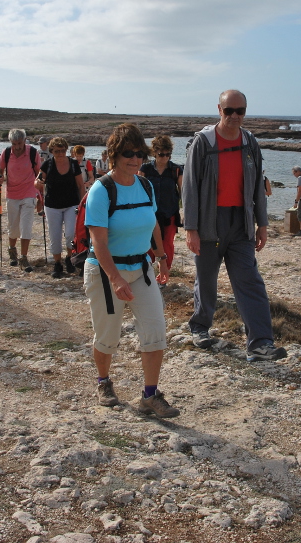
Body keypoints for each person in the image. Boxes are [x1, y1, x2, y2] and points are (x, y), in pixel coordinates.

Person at [182, 89, 287, 361]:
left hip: (241, 224)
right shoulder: (203, 143)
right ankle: (200, 327)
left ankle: (261, 343)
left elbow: (257, 186)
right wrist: (190, 228)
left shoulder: (250, 142)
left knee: (250, 282)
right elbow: (190, 188)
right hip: (208, 223)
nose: (234, 116)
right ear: (219, 110)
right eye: (229, 111)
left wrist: (262, 225)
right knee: (206, 280)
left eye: (240, 111)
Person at [84, 123, 177, 418]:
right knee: (107, 335)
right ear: (114, 154)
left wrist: (161, 256)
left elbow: (153, 223)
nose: (136, 159)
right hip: (106, 271)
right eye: (128, 153)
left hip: (141, 267)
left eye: (140, 153)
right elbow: (98, 241)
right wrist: (114, 278)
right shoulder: (102, 190)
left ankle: (150, 395)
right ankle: (103, 381)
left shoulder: (146, 185)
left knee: (156, 332)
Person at [35, 137, 84, 278]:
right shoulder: (47, 165)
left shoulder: (74, 164)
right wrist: (38, 183)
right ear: (52, 151)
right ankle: (57, 263)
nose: (61, 154)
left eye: (63, 150)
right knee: (54, 236)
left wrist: (82, 204)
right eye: (57, 151)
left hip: (71, 204)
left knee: (70, 234)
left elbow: (80, 185)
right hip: (52, 206)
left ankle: (69, 258)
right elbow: (38, 180)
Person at [0, 128, 40, 272]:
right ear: (10, 142)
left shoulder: (33, 152)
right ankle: (12, 250)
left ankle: (23, 257)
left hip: (29, 192)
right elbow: (0, 170)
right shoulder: (6, 153)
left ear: (25, 140)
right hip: (12, 194)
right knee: (13, 226)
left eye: (19, 143)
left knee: (26, 226)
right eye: (14, 143)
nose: (17, 147)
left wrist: (40, 193)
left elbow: (39, 173)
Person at [139, 135, 182, 276]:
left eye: (168, 154)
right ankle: (148, 272)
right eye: (161, 154)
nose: (165, 158)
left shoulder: (175, 170)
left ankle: (165, 273)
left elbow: (183, 193)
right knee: (148, 244)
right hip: (149, 214)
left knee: (167, 244)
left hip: (169, 213)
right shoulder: (145, 169)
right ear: (154, 153)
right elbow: (139, 190)